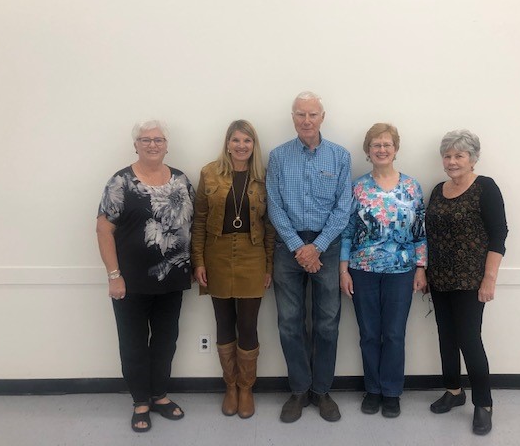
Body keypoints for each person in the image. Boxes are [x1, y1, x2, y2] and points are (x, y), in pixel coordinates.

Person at [96, 120, 195, 433]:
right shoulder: (120, 182)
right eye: (145, 139)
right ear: (135, 145)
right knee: (134, 343)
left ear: (167, 145)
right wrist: (114, 275)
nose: (152, 144)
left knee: (166, 341)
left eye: (158, 139)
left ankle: (160, 395)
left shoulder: (181, 180)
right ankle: (140, 401)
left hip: (173, 279)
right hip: (131, 282)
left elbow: (195, 223)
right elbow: (104, 229)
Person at [266, 91, 353, 423]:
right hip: (288, 247)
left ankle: (322, 390)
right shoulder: (278, 156)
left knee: (328, 322)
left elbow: (343, 208)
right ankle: (300, 390)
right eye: (300, 114)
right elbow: (274, 204)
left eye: (312, 114)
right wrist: (297, 246)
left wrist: (317, 247)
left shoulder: (340, 156)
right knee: (290, 323)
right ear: (292, 117)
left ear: (322, 117)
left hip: (326, 246)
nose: (306, 120)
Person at [339, 123, 427, 418]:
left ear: (396, 149)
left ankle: (391, 391)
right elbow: (348, 231)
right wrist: (343, 270)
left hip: (401, 271)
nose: (381, 150)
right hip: (362, 269)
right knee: (368, 334)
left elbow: (420, 232)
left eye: (387, 145)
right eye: (376, 145)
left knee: (393, 334)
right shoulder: (358, 187)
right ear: (368, 151)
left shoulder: (412, 187)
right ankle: (373, 389)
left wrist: (420, 268)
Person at [426, 129, 508, 435]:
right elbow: (428, 234)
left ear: (472, 159)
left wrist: (489, 279)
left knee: (469, 340)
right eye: (447, 155)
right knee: (446, 337)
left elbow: (499, 235)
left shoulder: (485, 187)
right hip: (439, 278)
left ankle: (483, 404)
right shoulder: (437, 190)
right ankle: (454, 392)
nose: (452, 161)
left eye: (459, 155)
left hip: (471, 280)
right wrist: (424, 271)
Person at [192, 120, 274, 419]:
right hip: (217, 254)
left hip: (253, 254)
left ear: (254, 146)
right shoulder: (209, 173)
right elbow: (199, 221)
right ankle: (230, 386)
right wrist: (198, 260)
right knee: (223, 322)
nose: (241, 146)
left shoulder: (264, 178)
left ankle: (246, 387)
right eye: (236, 140)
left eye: (247, 141)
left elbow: (270, 226)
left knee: (248, 325)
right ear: (227, 143)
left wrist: (269, 265)